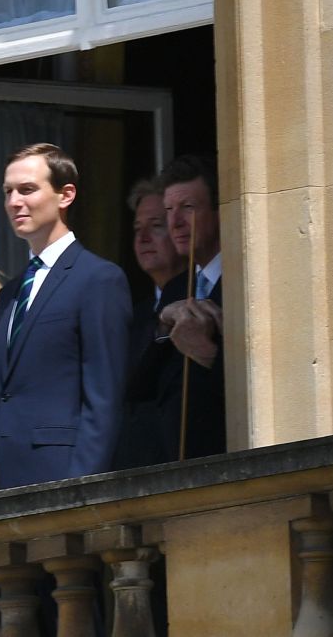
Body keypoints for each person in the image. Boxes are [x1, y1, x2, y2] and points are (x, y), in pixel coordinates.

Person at [0, 142, 132, 493]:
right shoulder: (9, 294)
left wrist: (80, 489)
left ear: (65, 195)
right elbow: (0, 398)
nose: (14, 202)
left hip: (59, 478)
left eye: (27, 189)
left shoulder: (98, 279)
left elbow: (103, 399)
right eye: (8, 192)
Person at [148, 154, 226, 459]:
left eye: (188, 208)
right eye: (169, 210)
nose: (175, 222)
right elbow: (140, 384)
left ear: (220, 212)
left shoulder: (246, 284)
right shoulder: (176, 288)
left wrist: (205, 352)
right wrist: (163, 320)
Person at [113, 178, 186, 469]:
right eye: (136, 229)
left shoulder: (204, 301)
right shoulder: (132, 316)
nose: (142, 238)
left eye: (155, 226)